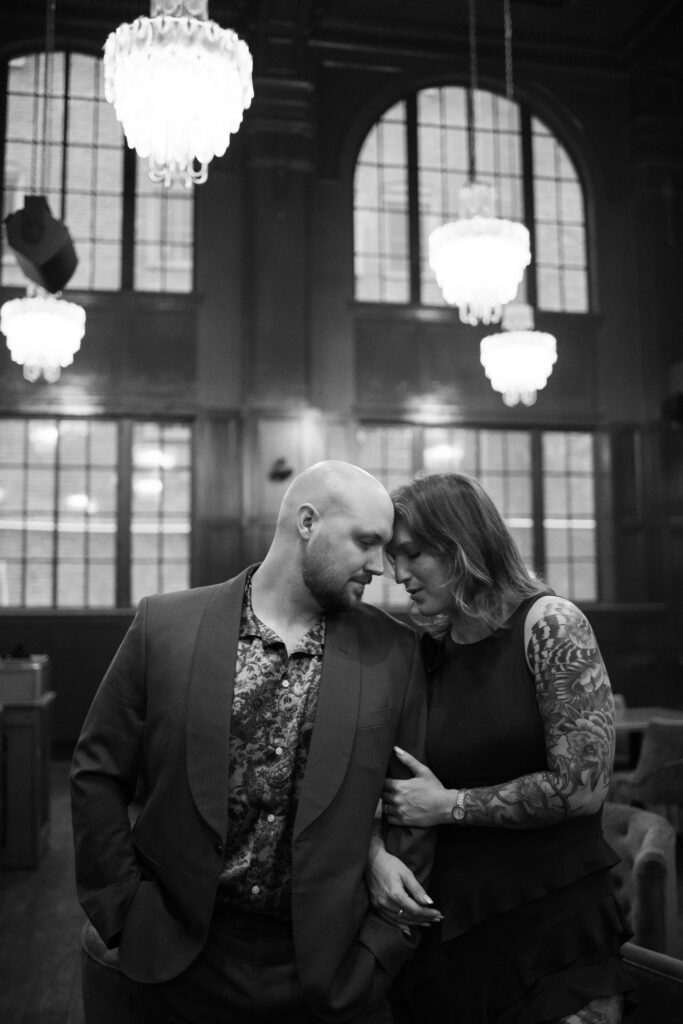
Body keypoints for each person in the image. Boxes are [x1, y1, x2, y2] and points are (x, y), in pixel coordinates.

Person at [70, 460, 434, 1024]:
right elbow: (98, 771)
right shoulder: (164, 626)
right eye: (367, 542)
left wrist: (381, 950)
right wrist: (122, 910)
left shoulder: (396, 653)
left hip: (331, 970)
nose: (381, 567)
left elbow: (410, 804)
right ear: (307, 522)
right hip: (179, 956)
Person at [367, 472, 634, 1024]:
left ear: (462, 543)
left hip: (552, 926)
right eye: (392, 557)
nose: (398, 575)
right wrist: (376, 854)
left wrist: (448, 806)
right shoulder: (428, 650)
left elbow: (581, 790)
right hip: (451, 925)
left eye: (412, 553)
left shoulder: (550, 624)